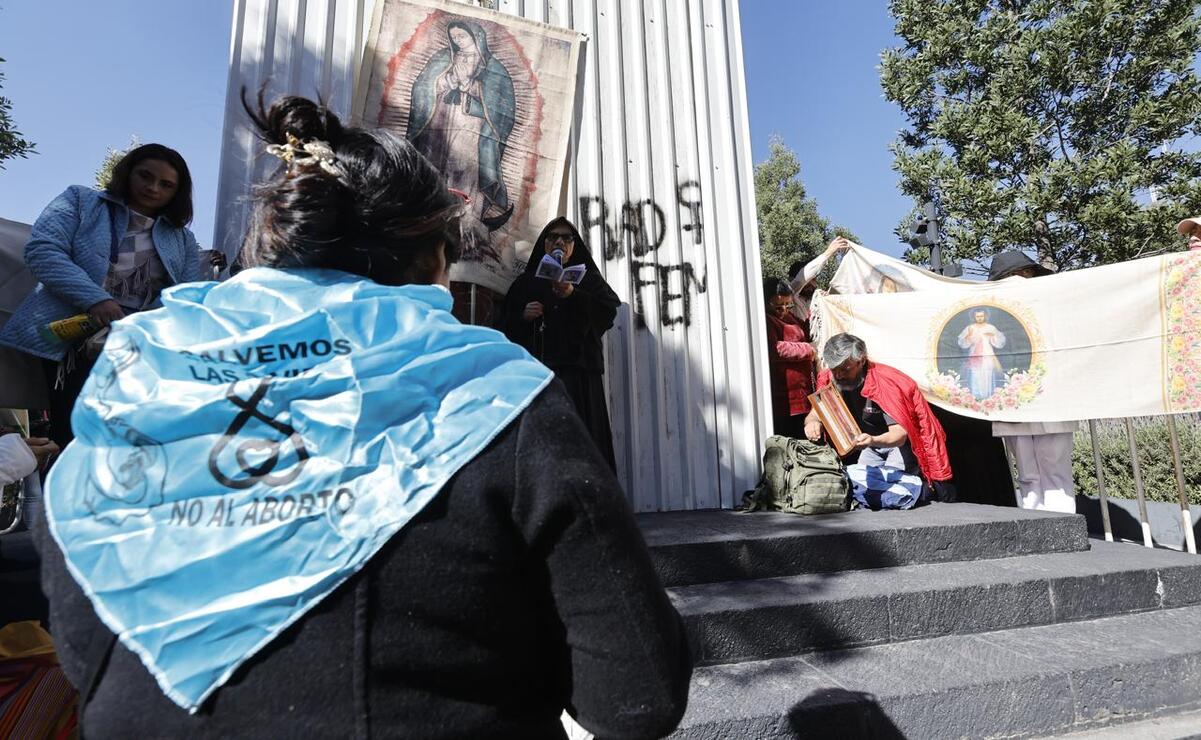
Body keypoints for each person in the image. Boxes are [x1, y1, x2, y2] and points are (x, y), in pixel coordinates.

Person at [33, 94, 690, 737]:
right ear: (434, 259)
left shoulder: (135, 381)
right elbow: (634, 701)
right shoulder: (493, 393)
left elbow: (88, 655)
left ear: (272, 248)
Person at [0, 144, 204, 448]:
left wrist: (143, 325)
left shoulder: (183, 239)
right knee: (73, 429)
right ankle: (63, 491)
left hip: (137, 345)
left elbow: (186, 294)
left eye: (166, 184)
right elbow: (43, 250)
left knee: (128, 435)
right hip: (73, 334)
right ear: (127, 173)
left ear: (178, 192)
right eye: (145, 176)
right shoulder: (81, 200)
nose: (152, 188)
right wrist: (96, 299)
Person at [498, 217, 621, 470]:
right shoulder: (526, 283)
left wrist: (573, 295)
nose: (560, 242)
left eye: (567, 238)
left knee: (583, 441)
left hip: (579, 376)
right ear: (544, 244)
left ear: (574, 245)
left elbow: (608, 312)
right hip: (538, 375)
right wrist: (523, 315)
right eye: (553, 237)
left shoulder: (588, 281)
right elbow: (502, 324)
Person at [805, 333, 956, 507]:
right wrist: (812, 423)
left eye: (844, 369)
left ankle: (925, 494)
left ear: (861, 361)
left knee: (894, 490)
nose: (838, 375)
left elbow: (899, 435)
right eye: (834, 369)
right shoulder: (830, 378)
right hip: (870, 443)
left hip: (898, 445)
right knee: (859, 485)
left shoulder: (886, 384)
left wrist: (873, 440)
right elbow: (817, 411)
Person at [409, 19, 516, 242]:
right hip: (443, 120)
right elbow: (424, 86)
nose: (458, 41)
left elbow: (501, 108)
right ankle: (434, 219)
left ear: (475, 36)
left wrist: (468, 84)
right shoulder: (444, 57)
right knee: (438, 166)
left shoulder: (493, 68)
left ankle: (468, 222)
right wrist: (446, 82)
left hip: (471, 127)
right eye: (454, 37)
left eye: (462, 36)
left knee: (465, 169)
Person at [987, 250, 1078, 512]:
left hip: (1050, 395)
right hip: (1013, 397)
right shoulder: (993, 315)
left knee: (1053, 467)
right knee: (1028, 469)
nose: (1019, 280)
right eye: (1012, 276)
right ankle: (1036, 523)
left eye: (1023, 274)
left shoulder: (1052, 307)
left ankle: (1062, 525)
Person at [763, 277, 816, 438]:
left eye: (788, 305)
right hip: (784, 401)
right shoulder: (765, 320)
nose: (784, 310)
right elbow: (774, 349)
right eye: (779, 306)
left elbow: (805, 330)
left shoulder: (789, 317)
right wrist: (807, 350)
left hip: (803, 396)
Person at [787, 236, 851, 325]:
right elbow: (802, 278)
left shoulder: (815, 302)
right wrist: (829, 252)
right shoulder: (789, 296)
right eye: (808, 280)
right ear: (791, 279)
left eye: (813, 279)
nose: (810, 283)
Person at [957, 307, 1006, 400]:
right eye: (977, 316)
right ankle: (976, 397)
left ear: (985, 316)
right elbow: (963, 343)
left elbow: (999, 343)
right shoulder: (970, 328)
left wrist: (993, 336)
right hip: (974, 356)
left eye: (981, 316)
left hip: (988, 355)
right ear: (974, 317)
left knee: (987, 374)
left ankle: (987, 397)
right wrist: (968, 336)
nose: (979, 318)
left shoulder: (990, 327)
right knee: (975, 375)